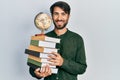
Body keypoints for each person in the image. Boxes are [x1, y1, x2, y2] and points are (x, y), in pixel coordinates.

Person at [29, 1, 87, 80]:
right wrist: (38, 74)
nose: (59, 18)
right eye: (56, 14)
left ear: (68, 16)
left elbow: (82, 68)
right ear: (52, 16)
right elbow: (32, 68)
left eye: (63, 14)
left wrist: (63, 62)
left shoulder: (77, 39)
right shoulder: (42, 38)